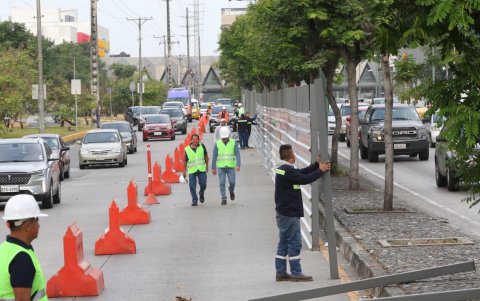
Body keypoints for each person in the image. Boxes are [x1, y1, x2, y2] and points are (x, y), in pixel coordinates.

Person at [274, 144, 330, 282]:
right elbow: (304, 179)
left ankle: (281, 272)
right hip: (289, 213)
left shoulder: (282, 169)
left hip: (283, 212)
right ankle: (296, 273)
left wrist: (316, 165)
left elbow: (301, 173)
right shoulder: (287, 170)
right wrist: (321, 170)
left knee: (284, 242)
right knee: (294, 242)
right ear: (292, 155)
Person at [0, 194, 48, 300]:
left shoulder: (3, 249)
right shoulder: (21, 258)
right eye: (37, 221)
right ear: (28, 225)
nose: (39, 225)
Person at [211, 127, 241, 205]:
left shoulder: (233, 142)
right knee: (222, 182)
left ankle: (231, 190)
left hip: (231, 166)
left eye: (226, 137)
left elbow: (238, 154)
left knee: (232, 182)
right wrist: (213, 167)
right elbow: (214, 156)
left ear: (228, 136)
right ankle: (223, 198)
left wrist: (238, 165)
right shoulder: (217, 143)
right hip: (221, 167)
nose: (224, 139)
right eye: (223, 137)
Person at [183, 134, 209, 206]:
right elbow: (185, 161)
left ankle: (201, 192)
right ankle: (194, 199)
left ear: (198, 140)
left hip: (201, 169)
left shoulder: (202, 146)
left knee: (203, 184)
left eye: (196, 139)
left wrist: (207, 166)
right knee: (192, 186)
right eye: (193, 139)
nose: (195, 141)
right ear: (191, 140)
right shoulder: (187, 149)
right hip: (192, 170)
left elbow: (206, 156)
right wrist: (184, 171)